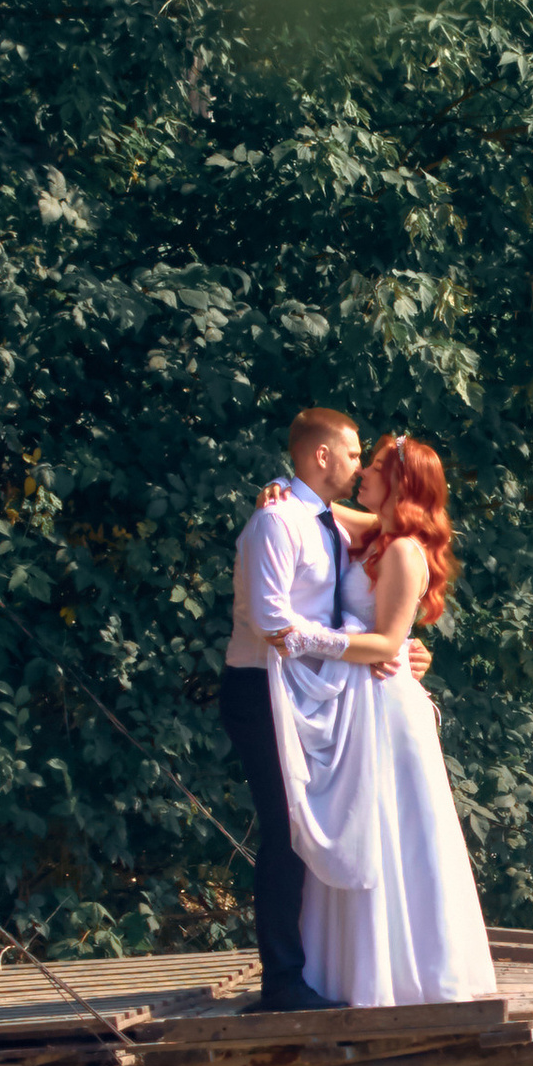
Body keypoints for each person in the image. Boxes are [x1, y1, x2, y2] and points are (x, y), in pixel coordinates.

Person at [261, 432, 496, 1009]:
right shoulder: (376, 534)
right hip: (359, 699)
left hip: (387, 706)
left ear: (401, 483)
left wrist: (314, 639)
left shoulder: (402, 549)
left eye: (378, 467)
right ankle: (353, 973)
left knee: (394, 834)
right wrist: (278, 491)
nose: (363, 471)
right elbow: (318, 507)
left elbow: (389, 639)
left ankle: (405, 977)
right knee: (361, 824)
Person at [222, 405, 386, 1011]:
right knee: (286, 830)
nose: (358, 464)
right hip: (258, 691)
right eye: (351, 453)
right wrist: (361, 651)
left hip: (305, 692)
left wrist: (395, 645)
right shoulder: (276, 522)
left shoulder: (327, 522)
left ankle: (310, 968)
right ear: (321, 455)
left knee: (306, 828)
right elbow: (273, 624)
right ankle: (282, 982)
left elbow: (385, 569)